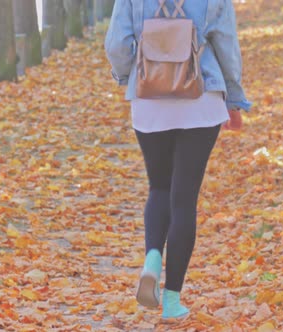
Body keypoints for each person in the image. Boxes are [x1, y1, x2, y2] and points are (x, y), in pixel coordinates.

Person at [104, 0, 251, 321]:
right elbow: (226, 44)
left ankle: (153, 259)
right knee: (183, 200)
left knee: (158, 187)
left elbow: (116, 43)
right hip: (201, 96)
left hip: (149, 97)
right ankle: (172, 302)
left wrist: (129, 77)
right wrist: (235, 99)